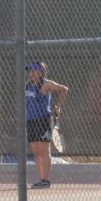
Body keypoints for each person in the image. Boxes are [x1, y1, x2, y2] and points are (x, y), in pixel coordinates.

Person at [25, 61, 69, 189]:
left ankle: (46, 179)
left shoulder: (46, 84)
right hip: (31, 121)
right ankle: (41, 179)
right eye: (30, 70)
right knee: (36, 152)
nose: (31, 73)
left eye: (33, 70)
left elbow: (64, 89)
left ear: (40, 72)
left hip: (43, 120)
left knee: (44, 151)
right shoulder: (27, 85)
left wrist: (58, 106)